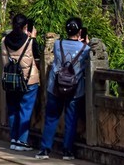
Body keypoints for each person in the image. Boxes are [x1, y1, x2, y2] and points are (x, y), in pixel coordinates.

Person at [37, 18, 90, 160]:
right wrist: (85, 43)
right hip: (75, 89)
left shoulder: (56, 44)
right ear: (80, 32)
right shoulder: (85, 49)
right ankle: (67, 151)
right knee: (71, 120)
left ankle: (44, 150)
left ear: (67, 30)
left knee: (51, 118)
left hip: (55, 87)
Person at [1, 14, 40, 152]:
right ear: (25, 27)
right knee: (25, 110)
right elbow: (38, 55)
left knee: (12, 109)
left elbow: (5, 62)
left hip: (11, 80)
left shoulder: (5, 40)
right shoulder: (30, 41)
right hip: (28, 81)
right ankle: (22, 141)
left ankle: (13, 139)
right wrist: (33, 37)